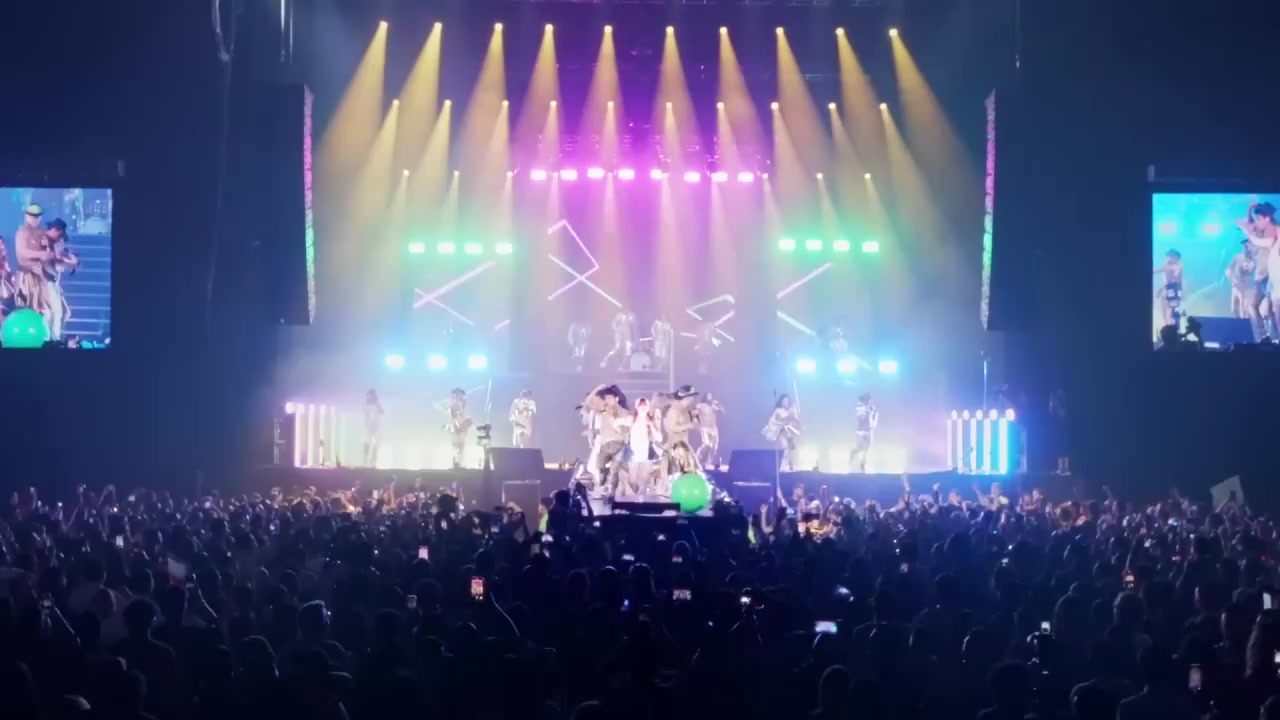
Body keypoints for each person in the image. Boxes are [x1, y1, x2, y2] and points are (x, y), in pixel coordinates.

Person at [14, 204, 58, 335]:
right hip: (26, 277)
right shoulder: (22, 233)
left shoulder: (42, 233)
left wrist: (47, 248)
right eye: (32, 216)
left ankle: (45, 338)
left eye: (38, 217)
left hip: (41, 276)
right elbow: (22, 252)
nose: (35, 219)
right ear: (26, 216)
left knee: (45, 310)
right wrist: (42, 254)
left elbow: (49, 254)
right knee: (28, 310)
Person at [1240, 202, 1280, 336]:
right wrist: (1249, 209)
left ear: (1267, 218)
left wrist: (1248, 233)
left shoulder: (1273, 230)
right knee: (1261, 307)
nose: (1257, 222)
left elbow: (1262, 240)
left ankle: (1269, 336)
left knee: (1271, 310)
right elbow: (1250, 224)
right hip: (1264, 275)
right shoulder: (1262, 230)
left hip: (1269, 275)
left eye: (1259, 219)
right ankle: (1266, 335)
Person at [620, 396, 660, 497]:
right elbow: (616, 422)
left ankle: (642, 500)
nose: (643, 408)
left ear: (648, 407)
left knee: (644, 480)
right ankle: (631, 499)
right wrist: (622, 433)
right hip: (634, 453)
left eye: (645, 406)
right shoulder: (632, 419)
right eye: (640, 406)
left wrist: (651, 425)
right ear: (637, 407)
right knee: (633, 480)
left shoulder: (651, 421)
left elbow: (659, 438)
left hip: (647, 453)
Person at [662, 385, 700, 480]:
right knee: (678, 474)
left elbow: (693, 425)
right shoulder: (673, 410)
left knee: (692, 473)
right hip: (675, 447)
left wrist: (694, 421)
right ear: (684, 398)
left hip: (685, 445)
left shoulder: (686, 410)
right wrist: (688, 425)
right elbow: (671, 427)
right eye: (689, 398)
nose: (691, 400)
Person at [763, 394, 802, 471]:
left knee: (791, 448)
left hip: (790, 431)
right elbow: (772, 421)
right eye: (784, 401)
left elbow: (795, 420)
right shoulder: (778, 411)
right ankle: (783, 465)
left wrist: (797, 417)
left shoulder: (791, 410)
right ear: (781, 402)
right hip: (782, 431)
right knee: (785, 447)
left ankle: (791, 464)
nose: (786, 402)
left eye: (787, 401)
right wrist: (779, 425)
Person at [1154, 248, 1184, 331]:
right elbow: (1161, 270)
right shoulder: (1167, 265)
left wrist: (1172, 271)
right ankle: (1169, 329)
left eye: (1171, 256)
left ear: (1176, 257)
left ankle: (1172, 331)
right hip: (1167, 290)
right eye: (1169, 256)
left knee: (1169, 314)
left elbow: (1175, 278)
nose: (1169, 258)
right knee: (1165, 313)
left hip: (1173, 291)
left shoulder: (1178, 266)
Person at [441, 388, 471, 469]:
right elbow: (451, 415)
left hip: (463, 425)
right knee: (455, 444)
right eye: (455, 395)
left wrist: (465, 422)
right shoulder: (451, 404)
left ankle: (460, 463)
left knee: (461, 444)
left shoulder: (465, 404)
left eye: (459, 394)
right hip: (453, 426)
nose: (457, 396)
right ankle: (455, 462)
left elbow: (467, 415)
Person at [694, 392, 724, 468]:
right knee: (707, 445)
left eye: (711, 396)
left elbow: (723, 412)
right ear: (705, 397)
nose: (710, 398)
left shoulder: (713, 406)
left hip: (713, 428)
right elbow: (694, 415)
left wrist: (718, 406)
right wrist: (697, 425)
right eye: (708, 396)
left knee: (714, 446)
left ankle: (707, 462)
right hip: (705, 427)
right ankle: (698, 458)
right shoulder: (700, 406)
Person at [851, 393, 878, 473]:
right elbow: (861, 418)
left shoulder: (869, 408)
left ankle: (862, 463)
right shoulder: (862, 408)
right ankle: (857, 460)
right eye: (869, 399)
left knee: (866, 447)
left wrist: (873, 423)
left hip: (867, 429)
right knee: (863, 447)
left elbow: (873, 417)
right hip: (863, 429)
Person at [362, 389, 383, 467]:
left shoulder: (377, 405)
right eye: (371, 395)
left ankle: (373, 462)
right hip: (368, 427)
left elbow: (382, 412)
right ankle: (365, 461)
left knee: (375, 445)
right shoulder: (366, 405)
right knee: (367, 443)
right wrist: (368, 426)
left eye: (374, 395)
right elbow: (366, 416)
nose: (372, 397)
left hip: (376, 426)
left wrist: (377, 404)